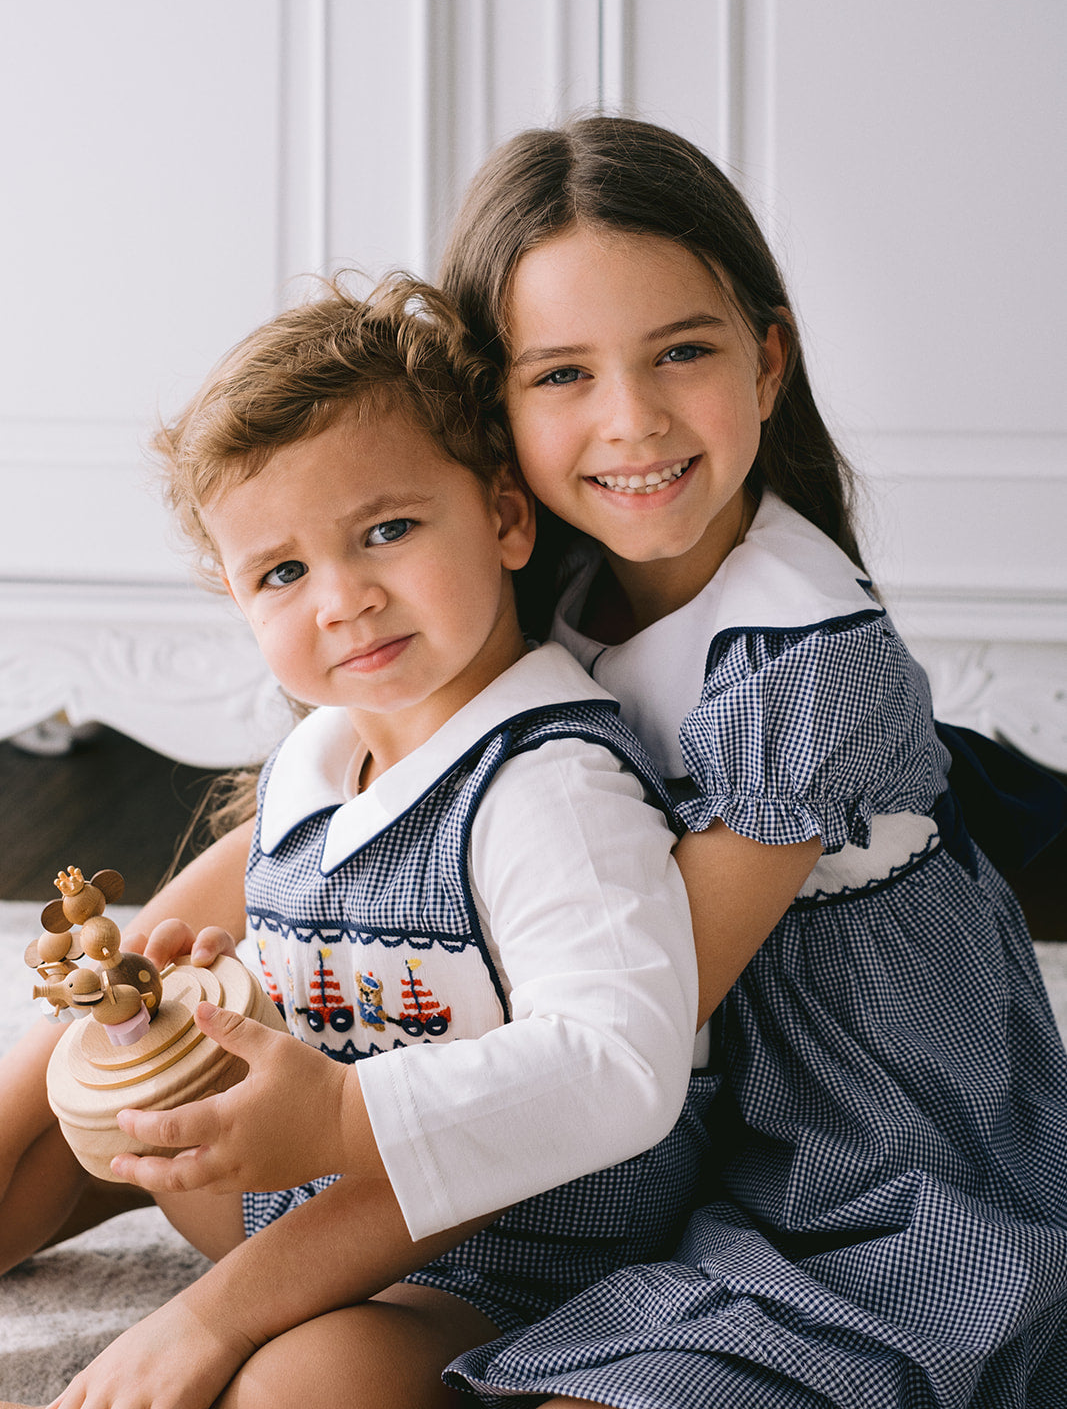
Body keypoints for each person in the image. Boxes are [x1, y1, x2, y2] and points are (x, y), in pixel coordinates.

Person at [426, 116, 1067, 1408]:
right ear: (488, 402)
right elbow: (388, 788)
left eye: (681, 352)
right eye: (559, 375)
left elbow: (621, 1034)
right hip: (652, 1142)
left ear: (765, 362)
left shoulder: (800, 657)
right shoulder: (537, 592)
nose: (631, 420)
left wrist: (227, 1306)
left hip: (859, 1181)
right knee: (87, 1060)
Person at [2, 276, 714, 1409]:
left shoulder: (545, 788)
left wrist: (336, 1121)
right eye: (282, 572)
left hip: (503, 1256)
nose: (342, 598)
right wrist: (214, 991)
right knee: (60, 1100)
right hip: (299, 1188)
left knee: (306, 1386)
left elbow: (615, 1067)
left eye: (386, 529)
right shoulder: (319, 759)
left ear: (503, 518)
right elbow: (335, 977)